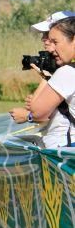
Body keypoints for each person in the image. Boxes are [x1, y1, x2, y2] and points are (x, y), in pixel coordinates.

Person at [11, 12, 75, 148]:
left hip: (64, 147)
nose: (48, 45)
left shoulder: (67, 72)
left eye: (54, 40)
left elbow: (37, 111)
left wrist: (28, 116)